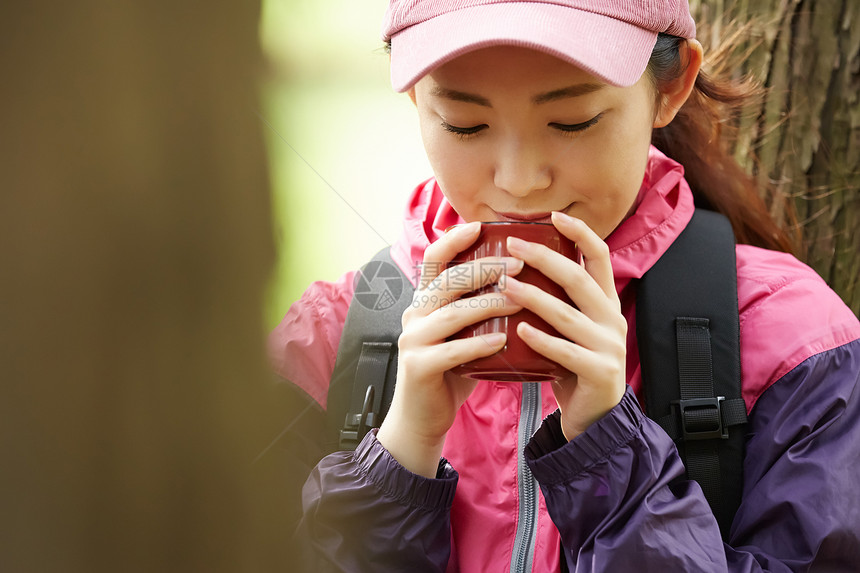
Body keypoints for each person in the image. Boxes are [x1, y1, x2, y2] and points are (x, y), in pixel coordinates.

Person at [269, 1, 860, 570]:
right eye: (465, 125)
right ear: (414, 95)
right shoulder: (325, 341)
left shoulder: (798, 348)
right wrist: (396, 460)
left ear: (672, 87)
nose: (520, 181)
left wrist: (612, 457)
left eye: (572, 121)